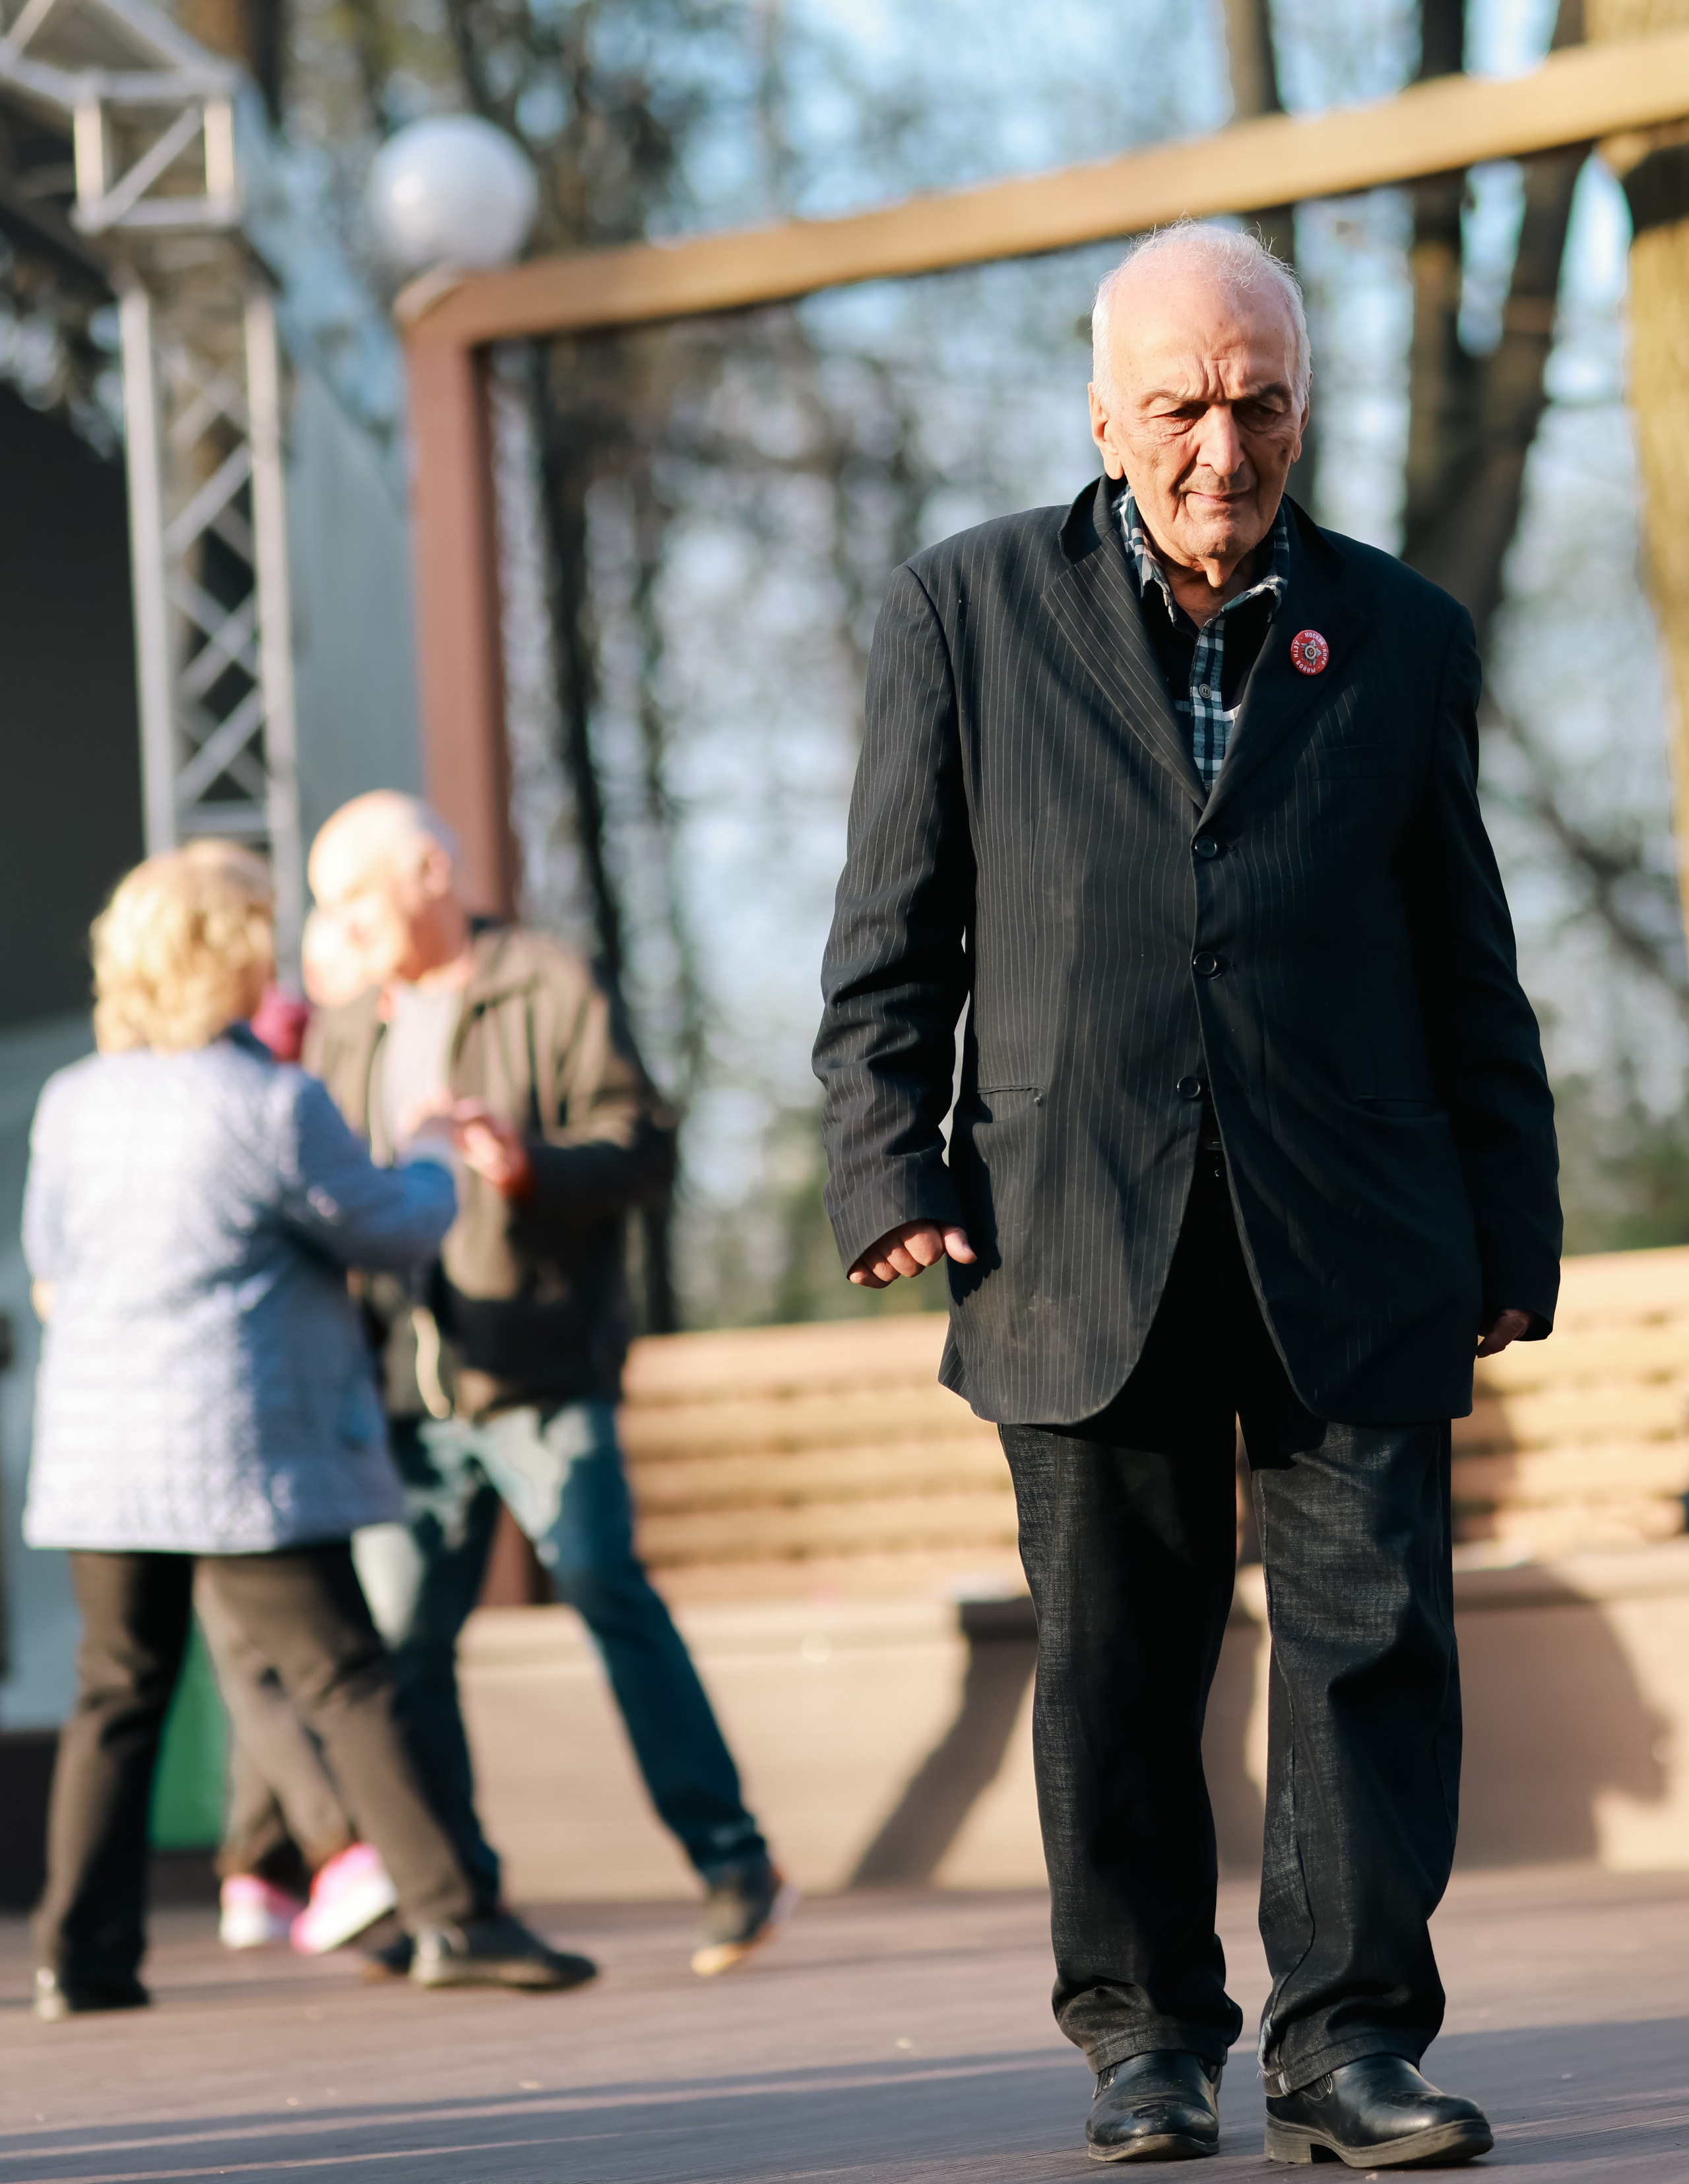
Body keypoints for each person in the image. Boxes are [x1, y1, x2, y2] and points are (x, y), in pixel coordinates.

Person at [813, 224, 1560, 2168]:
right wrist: (888, 1158)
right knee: (1118, 1669)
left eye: (1263, 404)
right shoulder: (962, 611)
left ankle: (1349, 2046)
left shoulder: (1403, 635)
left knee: (1371, 1651)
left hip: (1362, 1230)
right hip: (1076, 1228)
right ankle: (1146, 2041)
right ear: (1102, 413)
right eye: (1181, 407)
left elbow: (1464, 955)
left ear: (1304, 408)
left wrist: (1512, 1221)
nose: (1223, 447)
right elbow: (891, 940)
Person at [23, 842, 594, 2016]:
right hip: (238, 1451)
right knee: (345, 1677)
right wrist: (435, 1150)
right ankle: (455, 1920)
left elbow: (48, 1276)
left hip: (99, 1451)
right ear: (224, 960)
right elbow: (390, 1228)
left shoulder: (73, 1103)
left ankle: (76, 1958)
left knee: (116, 1691)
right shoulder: (267, 1102)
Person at [302, 790, 793, 1978]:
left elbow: (646, 1143)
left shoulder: (546, 979)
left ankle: (732, 1860)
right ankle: (457, 1899)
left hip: (538, 1373)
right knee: (407, 1645)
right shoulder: (343, 1029)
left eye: (354, 896)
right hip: (407, 1398)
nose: (340, 925)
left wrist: (532, 1170)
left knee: (602, 1588)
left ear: (430, 872)